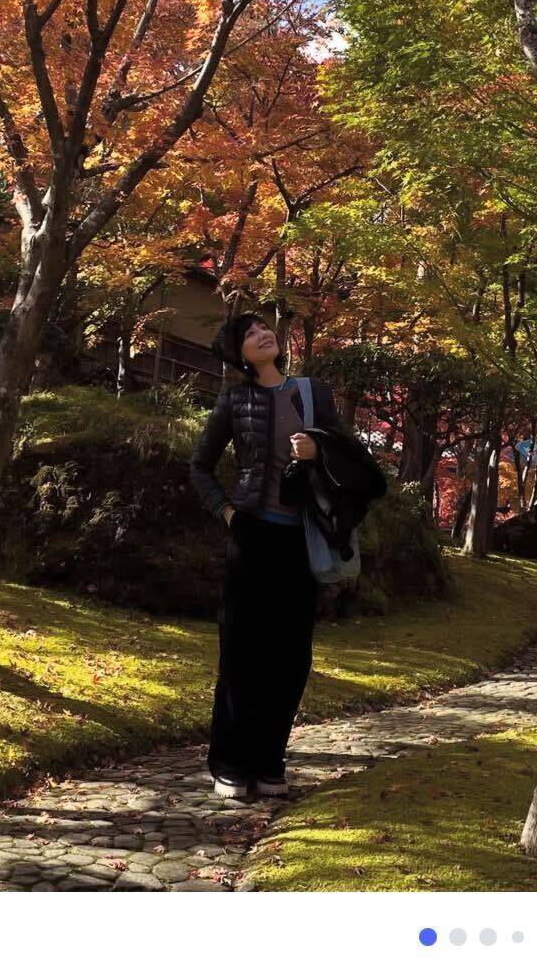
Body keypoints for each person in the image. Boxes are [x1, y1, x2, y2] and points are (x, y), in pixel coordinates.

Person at [190, 302, 349, 803]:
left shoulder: (310, 393)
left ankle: (269, 761)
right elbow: (200, 466)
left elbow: (350, 455)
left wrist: (320, 451)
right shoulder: (234, 401)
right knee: (241, 650)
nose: (262, 334)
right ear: (237, 353)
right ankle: (230, 763)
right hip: (252, 534)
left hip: (302, 539)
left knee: (290, 654)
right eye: (249, 332)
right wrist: (228, 513)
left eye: (264, 327)